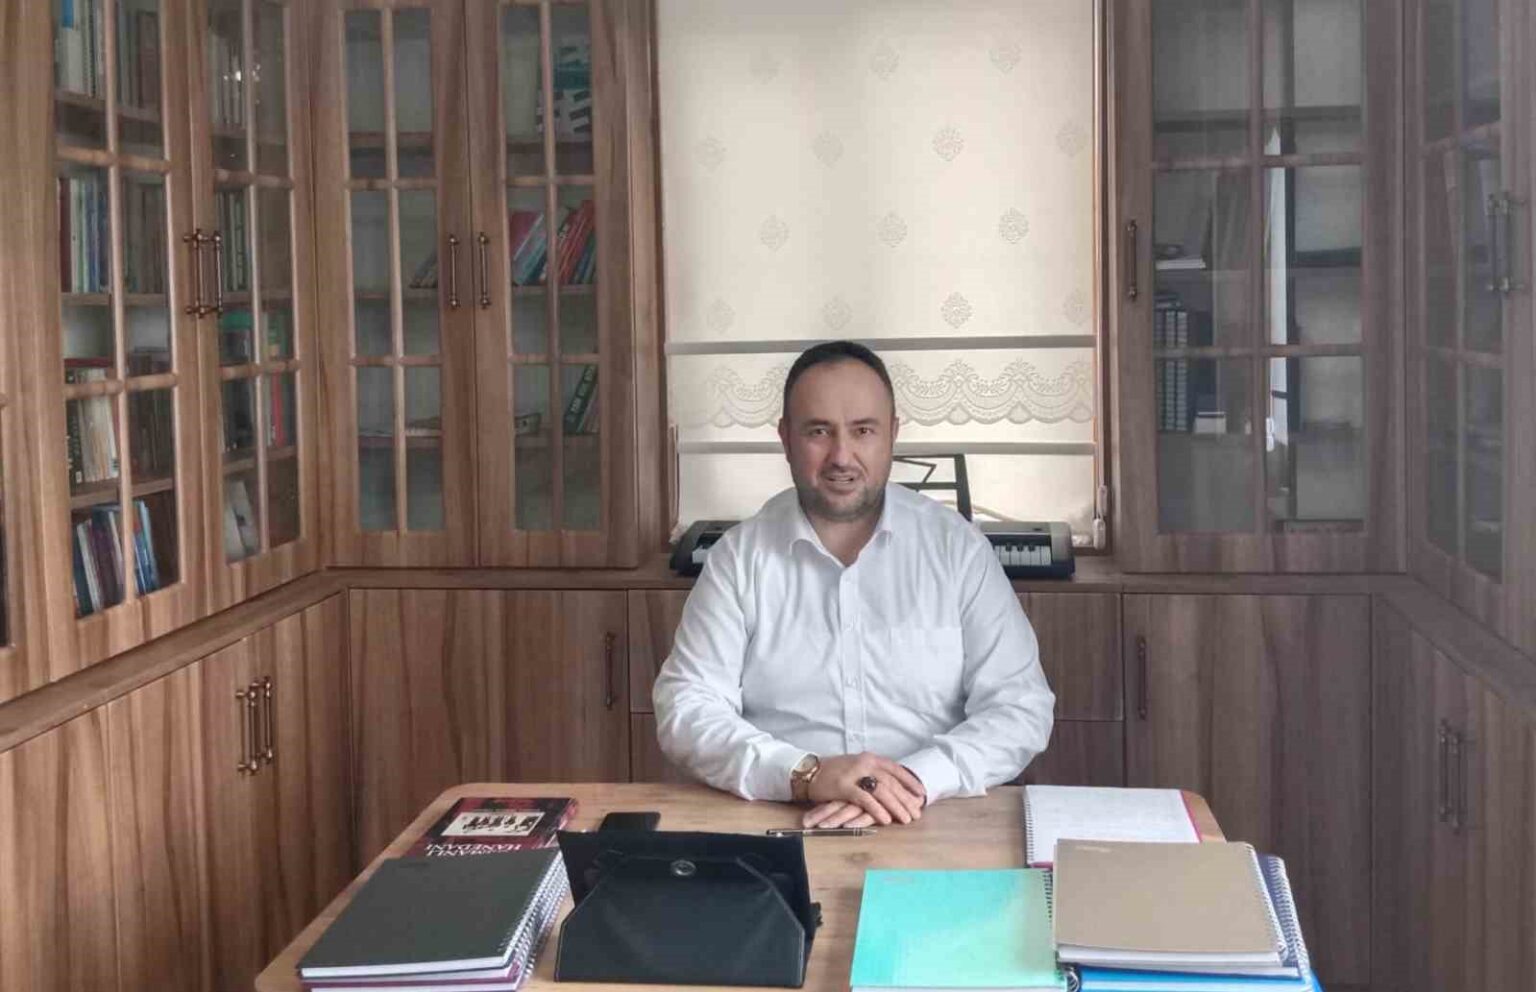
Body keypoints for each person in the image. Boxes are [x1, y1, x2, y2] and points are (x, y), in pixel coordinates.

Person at [653, 340, 1055, 829]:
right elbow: (687, 708)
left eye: (863, 430)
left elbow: (1020, 707)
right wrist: (805, 774)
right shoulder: (739, 558)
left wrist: (909, 781)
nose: (841, 456)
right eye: (818, 431)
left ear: (892, 435)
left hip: (931, 816)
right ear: (785, 438)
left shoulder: (957, 550)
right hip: (783, 819)